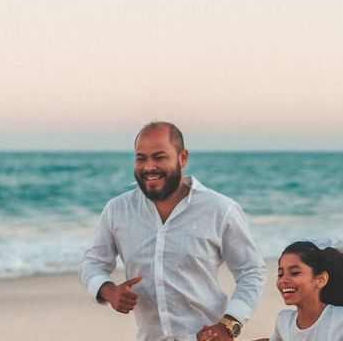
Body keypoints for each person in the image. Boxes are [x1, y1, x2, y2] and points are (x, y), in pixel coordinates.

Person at [80, 121, 266, 341]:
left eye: (159, 157)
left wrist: (229, 324)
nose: (148, 167)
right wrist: (108, 291)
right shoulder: (117, 210)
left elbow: (251, 271)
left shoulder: (220, 209)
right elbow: (93, 264)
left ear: (183, 158)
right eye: (141, 158)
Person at [236, 240, 343, 341]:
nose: (284, 280)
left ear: (320, 279)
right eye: (280, 274)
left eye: (295, 272)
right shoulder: (284, 322)